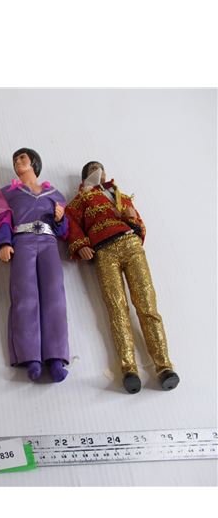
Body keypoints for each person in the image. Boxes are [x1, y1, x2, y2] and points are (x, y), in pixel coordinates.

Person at [65, 160, 179, 393]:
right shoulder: (80, 200)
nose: (98, 171)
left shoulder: (121, 196)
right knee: (117, 308)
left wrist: (132, 219)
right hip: (104, 251)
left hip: (130, 244)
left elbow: (139, 224)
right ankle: (129, 369)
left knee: (147, 305)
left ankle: (164, 366)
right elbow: (70, 223)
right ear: (85, 176)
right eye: (92, 169)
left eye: (100, 168)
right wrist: (81, 243)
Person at [0, 148, 70, 382]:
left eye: (22, 158)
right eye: (15, 160)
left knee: (54, 295)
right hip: (22, 242)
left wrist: (60, 219)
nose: (18, 162)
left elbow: (64, 230)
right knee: (25, 295)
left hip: (48, 243)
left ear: (34, 162)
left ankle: (56, 357)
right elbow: (1, 219)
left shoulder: (55, 194)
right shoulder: (6, 193)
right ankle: (30, 356)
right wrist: (4, 242)